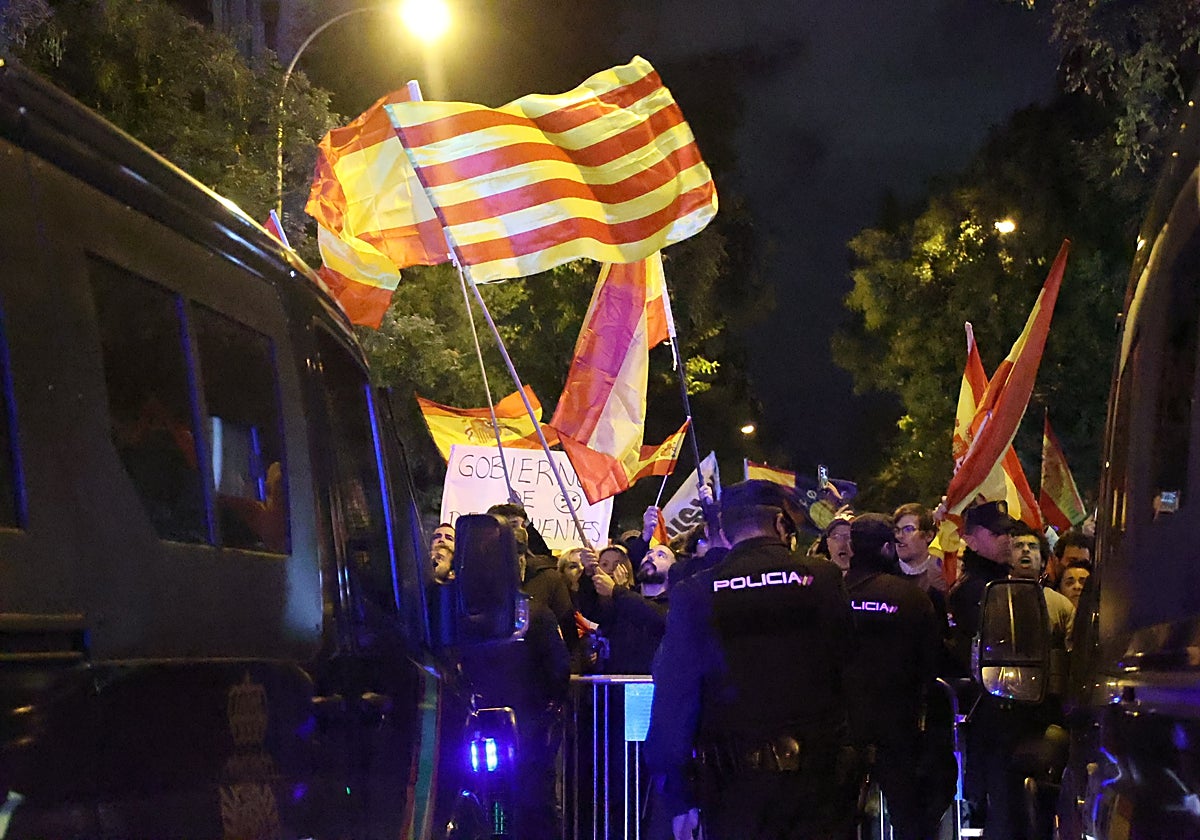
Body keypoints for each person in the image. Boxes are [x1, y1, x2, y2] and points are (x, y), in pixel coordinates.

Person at [645, 479, 857, 840]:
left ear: (725, 531)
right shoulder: (823, 578)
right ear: (780, 524)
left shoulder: (695, 593)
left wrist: (678, 794)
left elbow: (675, 695)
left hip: (733, 787)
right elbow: (848, 664)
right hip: (818, 783)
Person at [844, 513, 952, 840]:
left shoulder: (832, 593)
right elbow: (932, 659)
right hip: (899, 724)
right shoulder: (911, 598)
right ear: (887, 548)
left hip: (843, 724)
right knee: (909, 816)